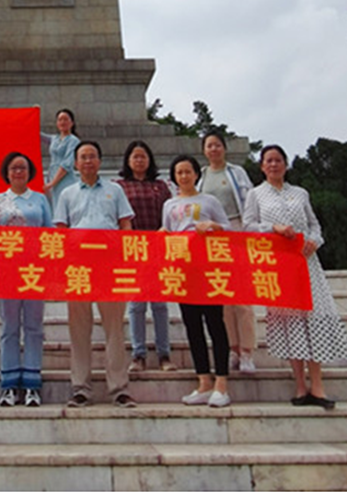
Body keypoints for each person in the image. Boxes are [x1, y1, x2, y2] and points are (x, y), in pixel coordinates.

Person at [243, 144, 347, 410]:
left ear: (286, 164)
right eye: (269, 161)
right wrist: (274, 228)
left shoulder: (300, 193)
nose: (273, 165)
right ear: (261, 166)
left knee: (314, 319)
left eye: (278, 160)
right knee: (291, 324)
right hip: (279, 265)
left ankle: (318, 385)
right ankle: (300, 385)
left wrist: (315, 241)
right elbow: (248, 225)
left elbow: (314, 224)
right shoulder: (255, 194)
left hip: (306, 263)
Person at [54, 140, 137, 408]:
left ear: (99, 161)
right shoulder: (66, 194)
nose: (88, 161)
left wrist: (125, 258)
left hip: (109, 265)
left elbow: (125, 225)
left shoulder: (115, 190)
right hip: (78, 266)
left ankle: (119, 388)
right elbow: (61, 231)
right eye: (83, 157)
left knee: (114, 328)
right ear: (75, 164)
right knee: (79, 329)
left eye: (92, 156)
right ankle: (81, 388)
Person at [162, 154, 232, 408]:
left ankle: (221, 383)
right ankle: (203, 381)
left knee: (215, 323)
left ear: (196, 174)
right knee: (192, 326)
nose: (184, 176)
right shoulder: (169, 205)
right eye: (179, 172)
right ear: (174, 177)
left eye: (187, 171)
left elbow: (229, 229)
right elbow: (167, 232)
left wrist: (213, 226)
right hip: (183, 269)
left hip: (209, 268)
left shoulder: (209, 200)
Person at [0, 151, 53, 407]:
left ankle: (33, 384)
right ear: (7, 172)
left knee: (34, 326)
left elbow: (49, 234)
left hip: (34, 271)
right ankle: (9, 384)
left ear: (30, 172)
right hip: (7, 270)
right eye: (14, 168)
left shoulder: (40, 199)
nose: (18, 172)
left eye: (22, 168)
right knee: (9, 327)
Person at [114, 140, 176, 373]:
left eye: (143, 156)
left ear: (149, 160)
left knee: (159, 304)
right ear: (128, 160)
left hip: (158, 247)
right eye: (135, 156)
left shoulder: (160, 186)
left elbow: (169, 216)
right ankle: (138, 354)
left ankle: (164, 354)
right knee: (136, 304)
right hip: (132, 248)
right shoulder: (119, 187)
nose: (139, 160)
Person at [199, 130, 257, 374]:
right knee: (222, 295)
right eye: (209, 146)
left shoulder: (236, 172)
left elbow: (250, 201)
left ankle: (247, 351)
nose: (213, 149)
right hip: (211, 237)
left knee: (242, 296)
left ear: (224, 148)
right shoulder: (201, 176)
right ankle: (233, 348)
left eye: (217, 145)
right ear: (204, 150)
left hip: (236, 230)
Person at [41, 108, 80, 206]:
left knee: (65, 205)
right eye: (60, 120)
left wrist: (52, 183)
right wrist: (33, 115)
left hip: (65, 179)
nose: (62, 122)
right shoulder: (55, 139)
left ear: (72, 123)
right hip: (51, 176)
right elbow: (38, 135)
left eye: (65, 119)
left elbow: (67, 164)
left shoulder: (73, 141)